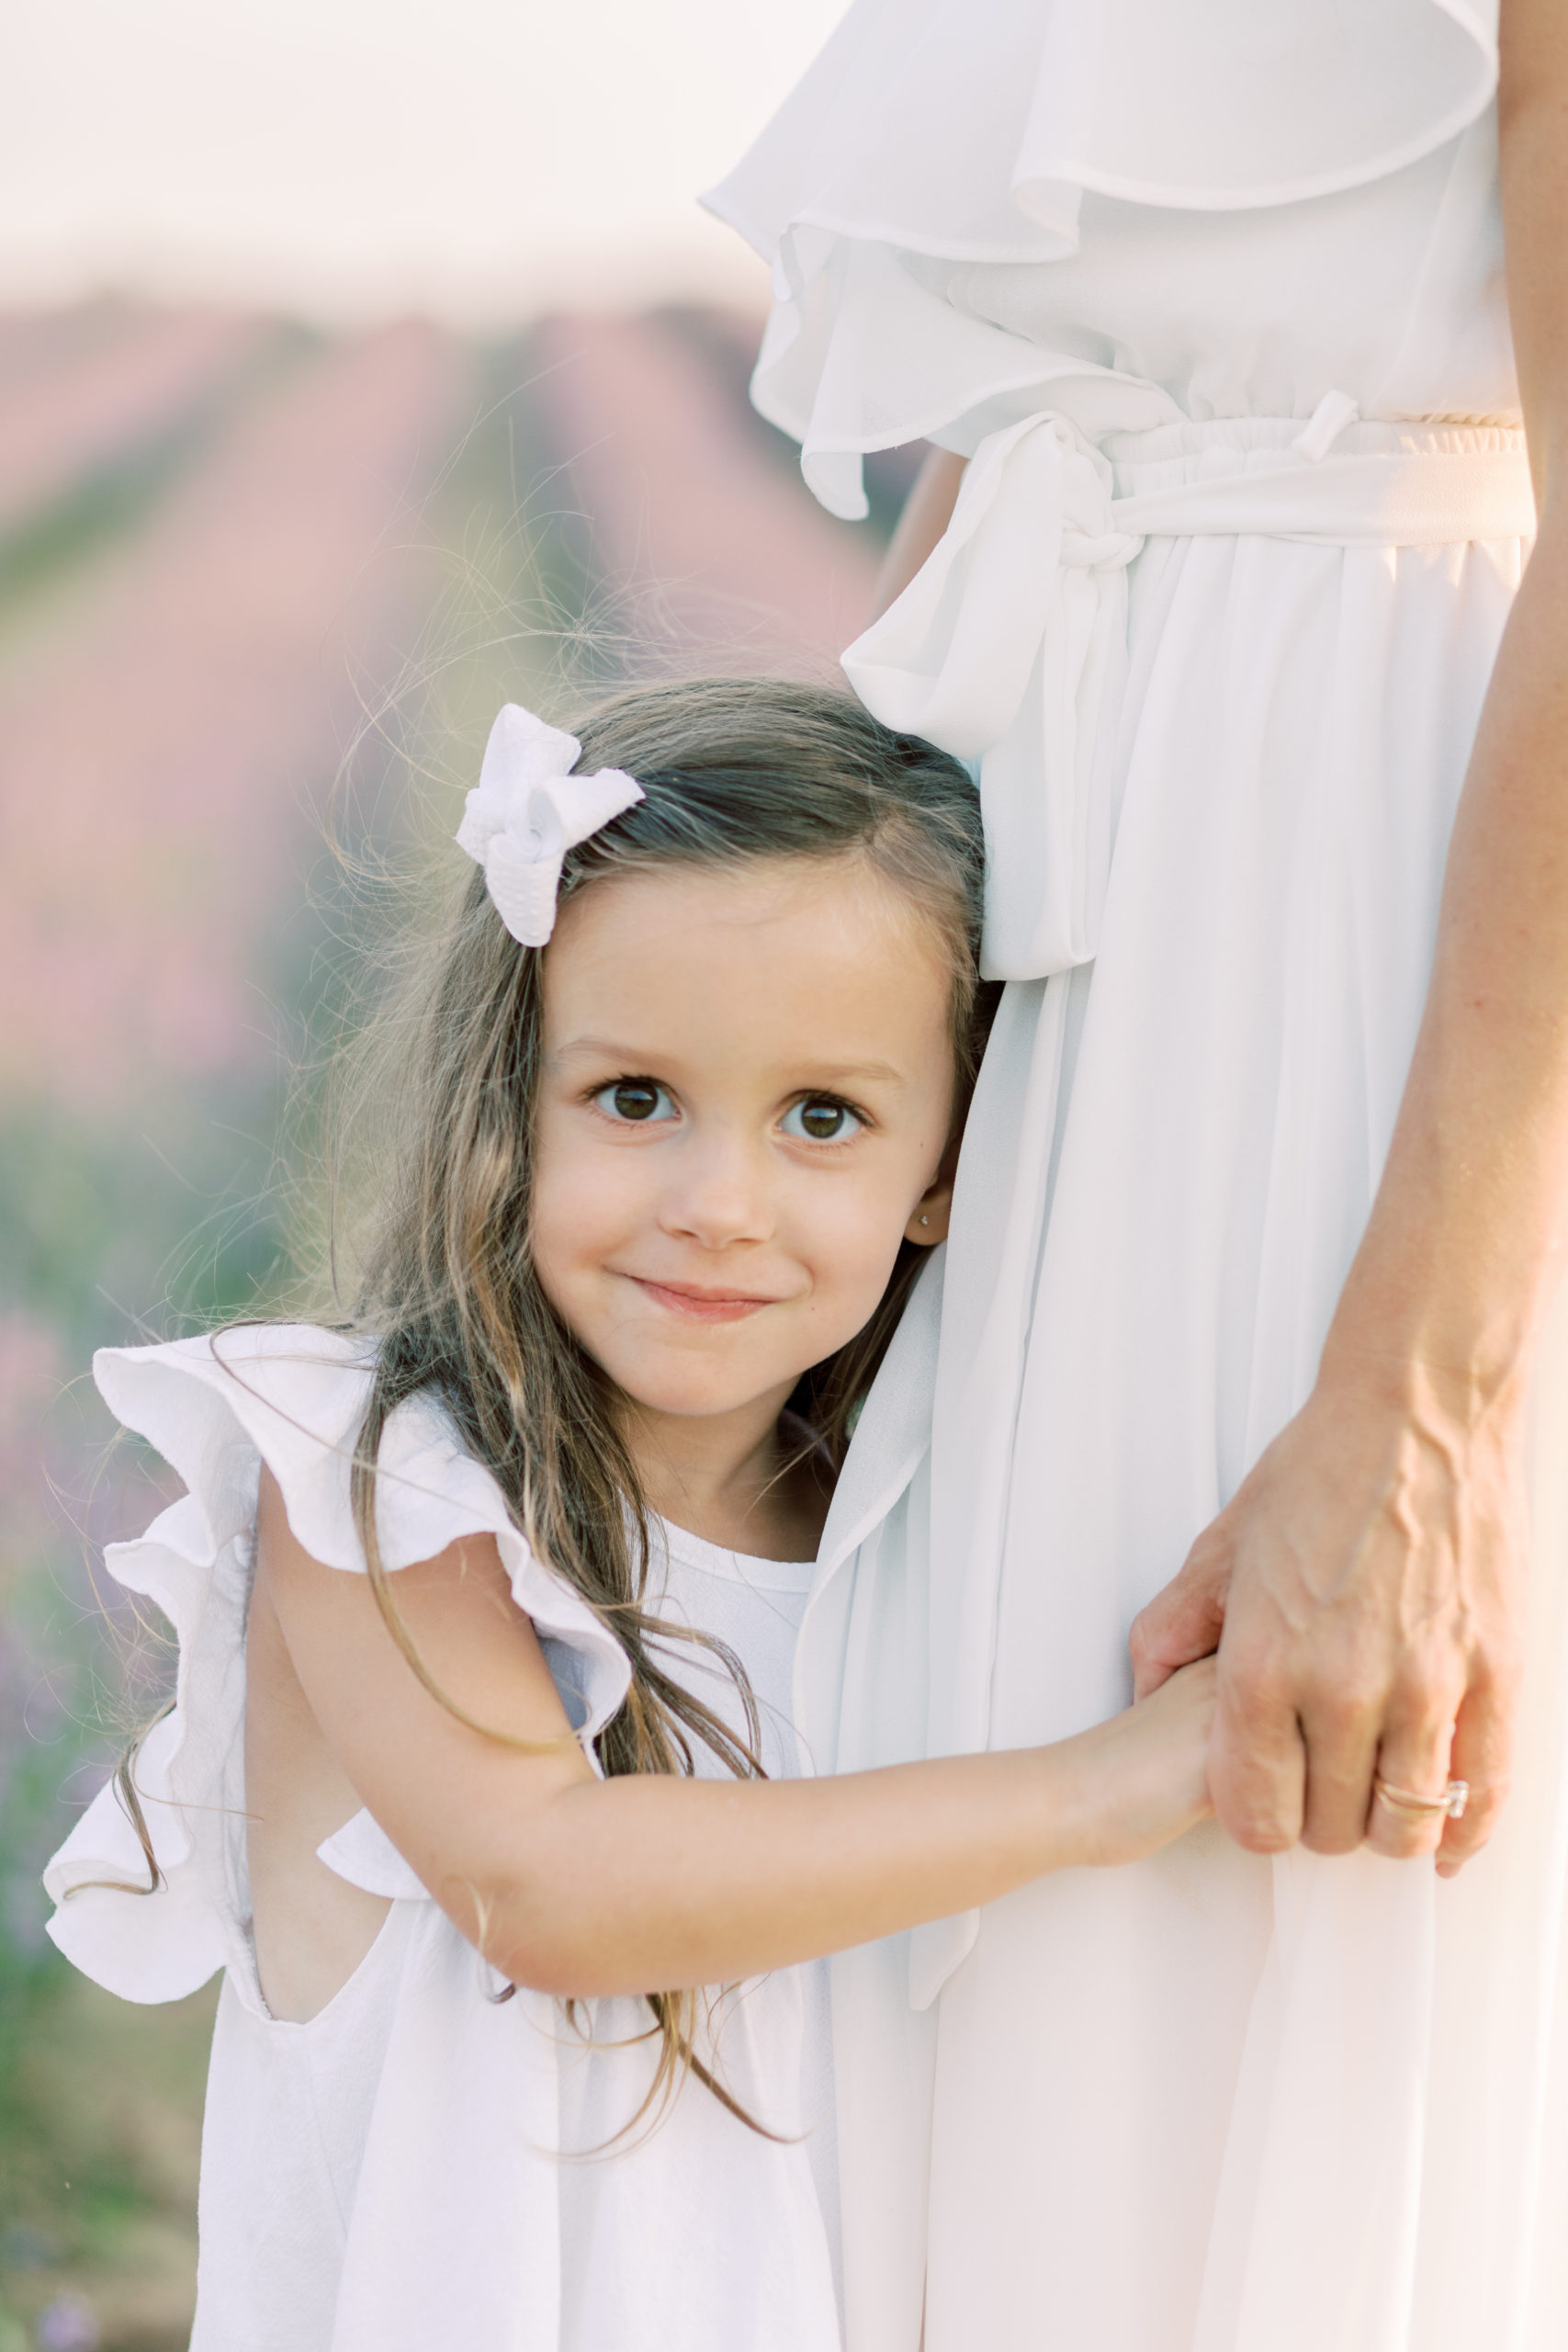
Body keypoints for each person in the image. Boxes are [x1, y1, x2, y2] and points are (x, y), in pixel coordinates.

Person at [705, 2, 1568, 2347]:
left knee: (1257, 1956)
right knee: (945, 1994)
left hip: (1372, 1024)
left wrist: (1416, 1397)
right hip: (1037, 1025)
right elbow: (995, 467)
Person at [41, 680, 1215, 2352]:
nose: (717, 1207)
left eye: (824, 1118)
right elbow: (552, 1887)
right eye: (637, 1098)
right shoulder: (382, 1485)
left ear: (945, 1167)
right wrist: (1102, 1791)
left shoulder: (915, 1532)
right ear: (512, 1099)